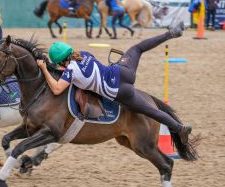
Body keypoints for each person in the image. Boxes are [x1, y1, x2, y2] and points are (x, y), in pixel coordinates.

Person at [36, 21, 192, 145]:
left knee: (151, 111)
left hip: (119, 91)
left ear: (61, 61)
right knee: (137, 48)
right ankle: (171, 33)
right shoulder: (83, 54)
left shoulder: (70, 71)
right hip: (122, 71)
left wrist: (44, 69)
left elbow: (57, 90)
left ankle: (179, 128)